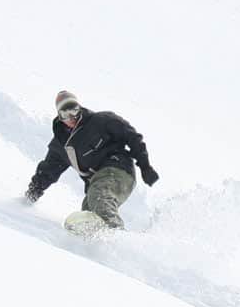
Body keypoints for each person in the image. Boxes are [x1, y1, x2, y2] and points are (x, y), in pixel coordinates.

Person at [25, 90, 159, 229]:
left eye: (74, 110)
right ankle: (95, 244)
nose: (71, 117)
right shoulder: (61, 145)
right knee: (88, 213)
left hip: (118, 171)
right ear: (60, 117)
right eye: (65, 114)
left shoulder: (102, 121)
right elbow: (48, 170)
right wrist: (33, 192)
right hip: (95, 182)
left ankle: (116, 234)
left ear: (79, 108)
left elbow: (133, 137)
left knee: (99, 196)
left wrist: (145, 166)